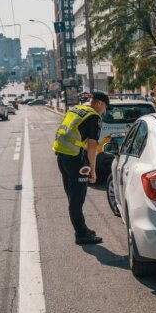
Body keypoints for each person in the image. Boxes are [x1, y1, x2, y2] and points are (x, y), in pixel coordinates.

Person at [52, 91, 110, 245]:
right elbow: (92, 146)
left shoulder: (76, 109)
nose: (104, 110)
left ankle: (82, 227)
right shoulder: (94, 117)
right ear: (99, 103)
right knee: (77, 198)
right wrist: (93, 170)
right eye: (105, 106)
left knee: (72, 196)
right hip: (75, 159)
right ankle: (81, 233)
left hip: (62, 155)